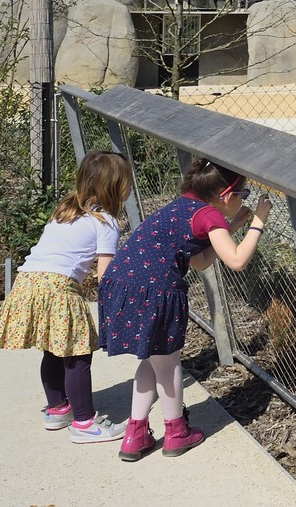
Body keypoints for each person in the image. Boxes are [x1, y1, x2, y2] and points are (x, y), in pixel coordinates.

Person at [98, 160, 272, 461]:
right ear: (226, 195)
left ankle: (134, 435)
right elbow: (236, 260)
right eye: (242, 195)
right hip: (155, 292)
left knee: (152, 361)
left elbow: (200, 260)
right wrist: (258, 221)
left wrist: (235, 225)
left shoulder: (182, 206)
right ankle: (176, 432)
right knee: (169, 365)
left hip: (122, 284)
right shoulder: (209, 215)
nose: (242, 199)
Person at [0, 151, 134, 444]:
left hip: (27, 281)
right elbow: (106, 276)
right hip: (58, 286)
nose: (128, 187)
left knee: (53, 346)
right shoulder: (107, 222)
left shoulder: (64, 211)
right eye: (126, 181)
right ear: (114, 186)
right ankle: (85, 423)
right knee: (77, 354)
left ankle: (57, 408)